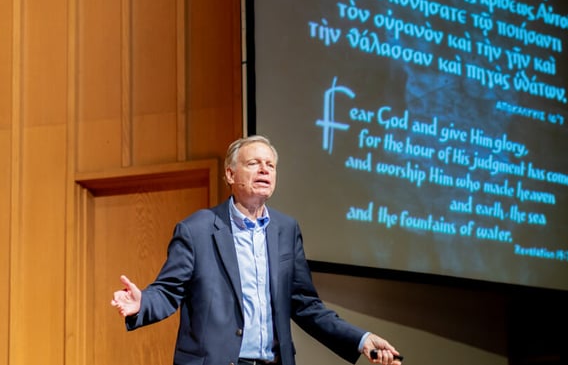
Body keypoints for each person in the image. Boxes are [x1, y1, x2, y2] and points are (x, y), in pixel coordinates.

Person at [111, 134, 403, 365]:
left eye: (270, 165)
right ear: (230, 174)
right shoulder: (197, 229)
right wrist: (142, 303)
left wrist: (360, 340)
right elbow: (168, 290)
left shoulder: (286, 230)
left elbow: (306, 305)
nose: (264, 169)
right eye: (253, 163)